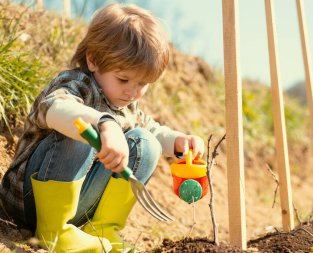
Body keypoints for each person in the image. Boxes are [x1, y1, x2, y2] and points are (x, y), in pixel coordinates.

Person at [0, 3, 205, 253]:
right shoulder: (76, 84)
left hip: (78, 207)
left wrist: (177, 141)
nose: (133, 91)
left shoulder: (127, 104)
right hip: (28, 200)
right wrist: (104, 123)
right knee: (81, 131)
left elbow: (152, 130)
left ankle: (101, 227)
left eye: (143, 83)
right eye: (123, 79)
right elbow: (53, 107)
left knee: (146, 142)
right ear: (93, 60)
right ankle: (54, 230)